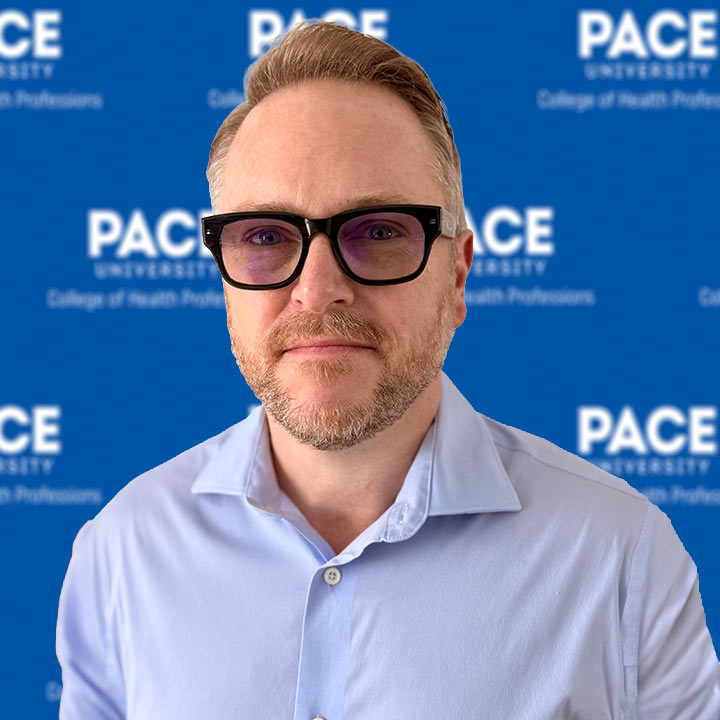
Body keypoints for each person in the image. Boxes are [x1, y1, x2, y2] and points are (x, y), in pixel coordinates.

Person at [56, 20, 719, 719]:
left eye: (378, 232)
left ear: (457, 275)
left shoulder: (622, 558)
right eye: (266, 236)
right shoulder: (120, 555)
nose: (318, 291)